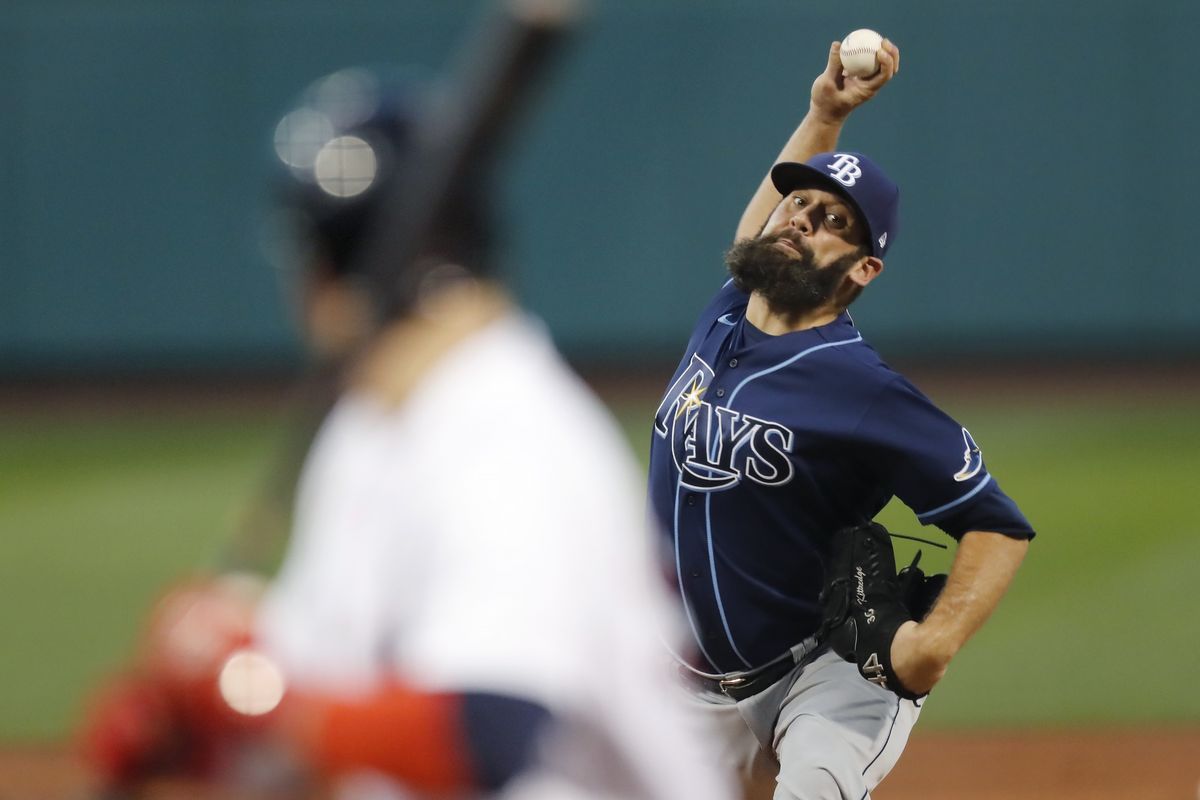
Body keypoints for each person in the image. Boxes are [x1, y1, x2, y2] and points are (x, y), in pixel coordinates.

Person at [80, 68, 735, 800]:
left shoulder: (512, 434)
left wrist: (248, 696)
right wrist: (193, 729)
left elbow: (493, 732)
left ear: (328, 276)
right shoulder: (368, 432)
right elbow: (314, 704)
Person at [647, 38, 1035, 800]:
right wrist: (824, 116)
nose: (800, 218)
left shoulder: (861, 387)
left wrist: (933, 645)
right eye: (798, 202)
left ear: (864, 268)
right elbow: (765, 220)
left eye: (830, 220)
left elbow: (999, 526)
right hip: (687, 685)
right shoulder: (731, 310)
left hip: (824, 675)